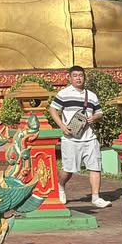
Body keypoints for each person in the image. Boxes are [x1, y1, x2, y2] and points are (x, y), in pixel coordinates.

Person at [49, 65, 110, 209]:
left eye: (81, 75)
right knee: (68, 169)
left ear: (84, 77)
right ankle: (61, 186)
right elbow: (53, 109)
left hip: (90, 137)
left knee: (95, 167)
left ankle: (96, 197)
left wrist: (94, 117)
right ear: (70, 78)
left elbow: (99, 112)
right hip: (71, 138)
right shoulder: (64, 93)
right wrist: (62, 126)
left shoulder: (91, 95)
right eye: (75, 76)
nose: (78, 78)